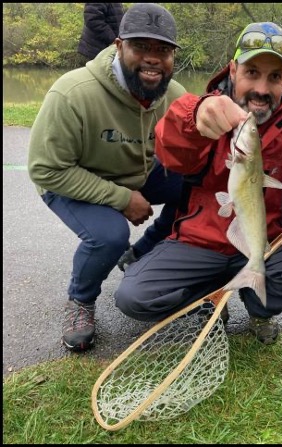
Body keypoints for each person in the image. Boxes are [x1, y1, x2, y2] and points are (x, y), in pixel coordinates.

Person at [114, 21, 282, 344]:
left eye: (274, 77)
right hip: (202, 241)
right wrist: (195, 118)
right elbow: (170, 149)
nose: (261, 89)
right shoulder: (205, 109)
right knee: (133, 296)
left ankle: (260, 309)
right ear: (233, 70)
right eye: (252, 73)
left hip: (266, 242)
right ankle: (209, 302)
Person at [28, 3, 186, 352]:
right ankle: (81, 301)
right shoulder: (72, 93)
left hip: (136, 172)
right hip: (71, 180)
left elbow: (207, 139)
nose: (152, 59)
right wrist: (121, 199)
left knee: (193, 184)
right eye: (140, 47)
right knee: (109, 235)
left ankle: (141, 253)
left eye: (162, 50)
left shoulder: (174, 95)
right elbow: (45, 168)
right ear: (118, 46)